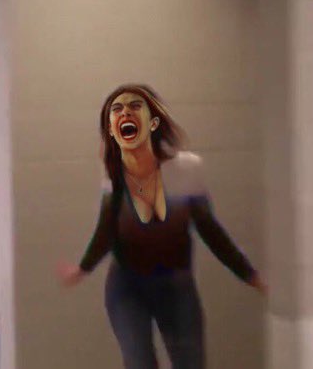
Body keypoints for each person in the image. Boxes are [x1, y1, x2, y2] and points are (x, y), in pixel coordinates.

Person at [56, 84, 267, 369]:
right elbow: (107, 229)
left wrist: (251, 276)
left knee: (190, 363)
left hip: (175, 285)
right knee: (139, 361)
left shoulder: (187, 169)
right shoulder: (115, 169)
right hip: (127, 286)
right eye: (117, 111)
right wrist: (82, 269)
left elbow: (211, 231)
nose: (125, 114)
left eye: (135, 107)